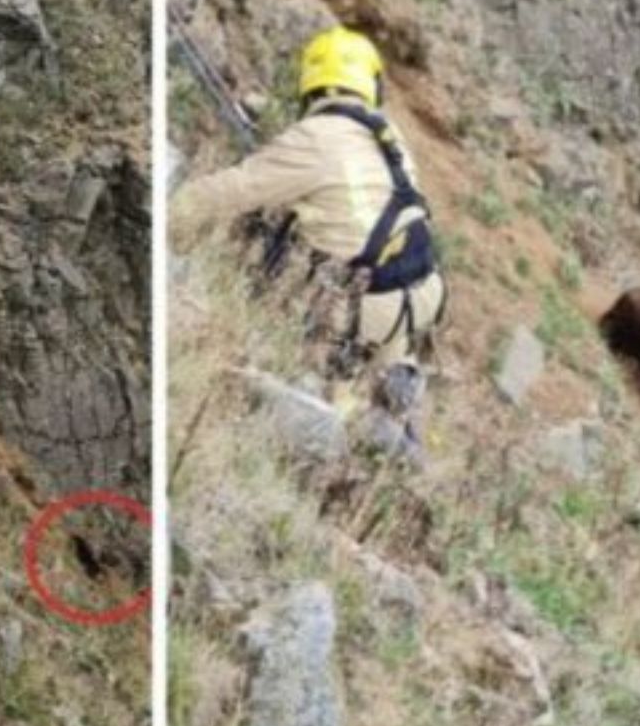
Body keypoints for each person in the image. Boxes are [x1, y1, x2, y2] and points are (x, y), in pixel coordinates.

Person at [172, 26, 446, 455]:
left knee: (276, 251)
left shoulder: (316, 137)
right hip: (418, 297)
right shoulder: (390, 140)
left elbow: (233, 190)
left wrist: (169, 216)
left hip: (361, 306)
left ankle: (335, 414)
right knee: (370, 270)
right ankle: (391, 401)